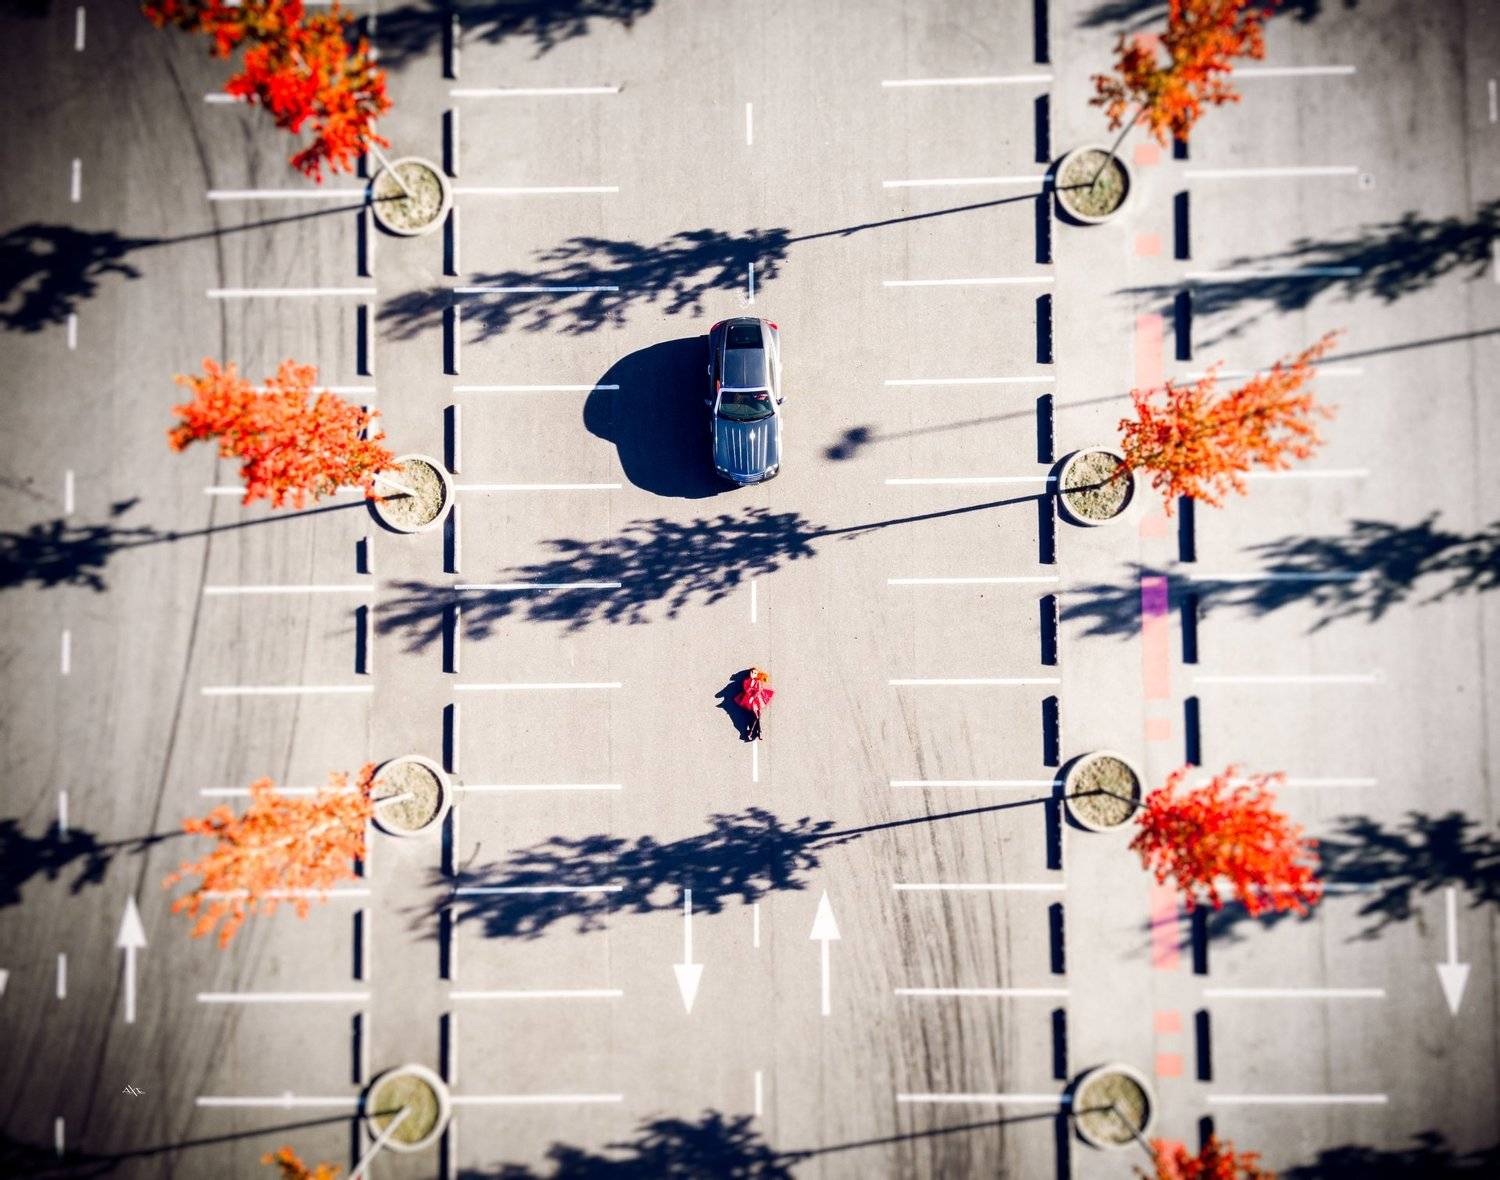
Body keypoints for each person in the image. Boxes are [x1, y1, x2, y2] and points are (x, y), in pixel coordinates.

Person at [735, 667, 774, 740]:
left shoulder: (758, 681)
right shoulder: (746, 681)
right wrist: (752, 690)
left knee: (757, 715)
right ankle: (758, 732)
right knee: (756, 716)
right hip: (749, 699)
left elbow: (758, 690)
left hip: (757, 699)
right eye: (752, 672)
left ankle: (752, 732)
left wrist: (753, 696)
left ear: (757, 675)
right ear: (750, 673)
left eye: (755, 673)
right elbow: (746, 689)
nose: (753, 674)